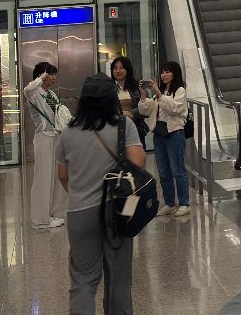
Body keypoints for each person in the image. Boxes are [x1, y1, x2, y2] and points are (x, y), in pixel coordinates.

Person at [58, 74, 144, 315]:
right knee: (118, 278)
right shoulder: (123, 126)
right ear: (112, 99)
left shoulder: (68, 133)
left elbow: (63, 175)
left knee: (83, 279)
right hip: (117, 210)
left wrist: (79, 193)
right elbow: (137, 162)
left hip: (79, 213)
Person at [139, 61, 191, 217]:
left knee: (178, 170)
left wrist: (159, 93)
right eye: (162, 72)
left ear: (174, 73)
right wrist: (143, 93)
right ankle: (169, 203)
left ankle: (184, 203)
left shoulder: (180, 90)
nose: (163, 75)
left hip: (175, 134)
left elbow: (173, 109)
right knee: (163, 172)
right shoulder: (160, 92)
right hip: (159, 135)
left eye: (167, 72)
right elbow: (145, 110)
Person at [24, 62, 67, 229]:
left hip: (56, 137)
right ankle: (40, 218)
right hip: (43, 137)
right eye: (51, 74)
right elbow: (27, 90)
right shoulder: (34, 93)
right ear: (42, 75)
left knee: (55, 177)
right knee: (43, 177)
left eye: (55, 74)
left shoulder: (52, 95)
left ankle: (51, 212)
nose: (54, 77)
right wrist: (41, 77)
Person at [109, 56, 147, 148]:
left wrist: (132, 114)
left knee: (136, 159)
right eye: (115, 68)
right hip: (114, 131)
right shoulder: (107, 88)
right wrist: (119, 114)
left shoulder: (137, 87)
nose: (118, 71)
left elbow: (147, 108)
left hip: (135, 129)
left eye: (121, 68)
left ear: (128, 69)